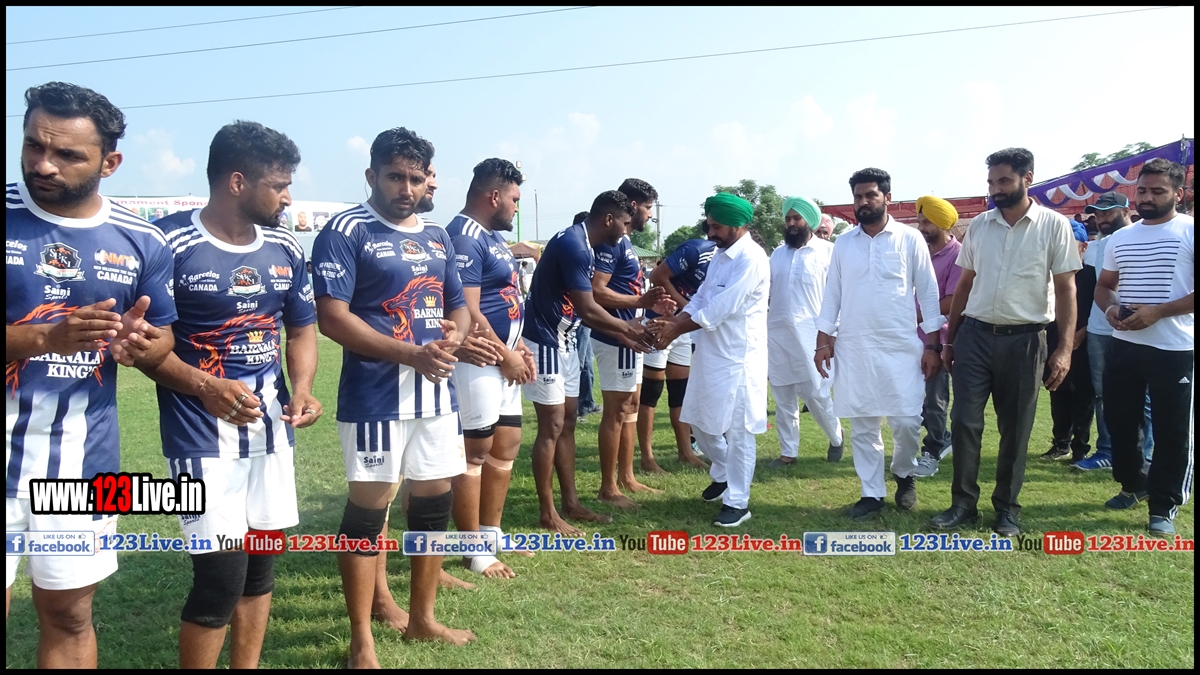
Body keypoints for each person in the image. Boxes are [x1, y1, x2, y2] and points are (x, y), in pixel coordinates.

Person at [6, 81, 177, 668]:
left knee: (70, 616)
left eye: (67, 154)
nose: (43, 164)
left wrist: (142, 343)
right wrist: (42, 339)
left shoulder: (143, 239)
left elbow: (164, 336)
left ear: (110, 163)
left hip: (84, 465)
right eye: (33, 145)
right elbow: (44, 337)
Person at [139, 121, 322, 668]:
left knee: (261, 566)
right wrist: (205, 386)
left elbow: (301, 329)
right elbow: (145, 348)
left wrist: (304, 389)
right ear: (238, 182)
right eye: (279, 185)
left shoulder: (285, 245)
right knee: (220, 578)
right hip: (200, 438)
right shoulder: (168, 243)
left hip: (272, 434)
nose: (287, 198)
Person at [312, 127, 493, 660]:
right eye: (395, 177)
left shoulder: (436, 235)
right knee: (367, 516)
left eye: (416, 178)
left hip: (435, 399)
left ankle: (423, 620)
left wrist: (455, 335)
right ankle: (361, 640)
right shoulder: (345, 230)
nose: (406, 188)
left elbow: (457, 304)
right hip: (375, 400)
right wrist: (411, 354)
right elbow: (332, 318)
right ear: (372, 175)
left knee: (432, 507)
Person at [933, 148, 1081, 537]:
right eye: (991, 182)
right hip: (975, 336)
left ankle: (1007, 509)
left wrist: (1064, 348)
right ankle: (963, 504)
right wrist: (951, 340)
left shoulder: (1054, 226)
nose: (995, 189)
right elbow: (964, 285)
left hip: (1026, 340)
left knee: (1015, 428)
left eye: (1003, 181)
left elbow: (1067, 289)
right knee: (964, 421)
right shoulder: (980, 226)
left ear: (1027, 179)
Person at [521, 191, 656, 535]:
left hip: (565, 340)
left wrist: (625, 334)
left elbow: (585, 312)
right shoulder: (575, 245)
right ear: (608, 220)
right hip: (545, 340)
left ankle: (571, 503)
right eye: (624, 223)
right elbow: (588, 307)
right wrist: (628, 327)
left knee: (567, 421)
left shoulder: (586, 245)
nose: (627, 230)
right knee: (552, 425)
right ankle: (548, 513)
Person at [815, 170, 944, 520]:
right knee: (863, 423)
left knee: (907, 421)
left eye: (870, 195)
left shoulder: (910, 238)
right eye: (858, 196)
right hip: (855, 346)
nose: (863, 202)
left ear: (887, 197)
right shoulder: (844, 244)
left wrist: (933, 345)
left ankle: (903, 472)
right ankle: (871, 492)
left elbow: (928, 292)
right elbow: (832, 294)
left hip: (901, 345)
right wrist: (822, 339)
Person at [652, 192, 770, 527]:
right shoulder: (720, 255)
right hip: (710, 352)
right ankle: (723, 473)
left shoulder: (752, 258)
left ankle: (738, 501)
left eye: (716, 226)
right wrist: (675, 321)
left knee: (739, 431)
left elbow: (722, 307)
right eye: (709, 225)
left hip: (740, 359)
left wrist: (676, 329)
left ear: (737, 224)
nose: (711, 232)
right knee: (699, 420)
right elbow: (701, 297)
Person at [446, 158, 537, 578]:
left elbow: (504, 298)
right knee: (475, 452)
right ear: (494, 196)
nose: (516, 207)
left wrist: (518, 347)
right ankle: (472, 550)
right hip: (480, 360)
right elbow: (467, 309)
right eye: (514, 199)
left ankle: (491, 532)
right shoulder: (464, 235)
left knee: (507, 445)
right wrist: (506, 354)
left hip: (503, 357)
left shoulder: (492, 237)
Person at [1094, 158, 1193, 536]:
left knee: (1172, 429)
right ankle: (1133, 483)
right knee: (1121, 423)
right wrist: (1111, 309)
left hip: (1174, 348)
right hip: (1124, 344)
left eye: (1158, 191)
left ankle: (1164, 503)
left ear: (1178, 194)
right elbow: (1105, 286)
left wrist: (1159, 312)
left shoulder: (1189, 231)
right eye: (1142, 190)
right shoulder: (1120, 238)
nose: (1147, 197)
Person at [590, 179, 672, 508]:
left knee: (631, 404)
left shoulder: (624, 241)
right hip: (616, 335)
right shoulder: (611, 243)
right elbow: (596, 291)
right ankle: (609, 487)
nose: (650, 214)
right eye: (648, 207)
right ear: (633, 205)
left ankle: (627, 476)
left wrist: (650, 307)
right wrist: (639, 303)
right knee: (616, 409)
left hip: (630, 334)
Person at [1074, 192, 1154, 471]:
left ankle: (1146, 455)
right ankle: (1107, 451)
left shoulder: (1143, 237)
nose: (1102, 218)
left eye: (1108, 212)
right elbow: (1093, 288)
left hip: (1137, 327)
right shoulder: (1098, 246)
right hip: (1099, 329)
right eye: (1098, 214)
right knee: (1102, 394)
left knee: (1143, 396)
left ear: (1126, 210)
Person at [766, 195, 844, 469]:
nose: (791, 223)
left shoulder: (829, 252)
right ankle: (788, 452)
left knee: (817, 394)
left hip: (813, 335)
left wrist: (833, 333)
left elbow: (839, 295)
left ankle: (836, 437)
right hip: (777, 333)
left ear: (809, 221)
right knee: (783, 394)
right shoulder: (777, 254)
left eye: (797, 218)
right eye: (788, 219)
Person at [638, 224, 716, 472]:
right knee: (651, 392)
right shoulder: (697, 249)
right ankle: (647, 458)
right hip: (660, 321)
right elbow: (656, 276)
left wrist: (685, 316)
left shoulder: (730, 261)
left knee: (680, 392)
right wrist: (686, 308)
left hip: (682, 327)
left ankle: (685, 452)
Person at [912, 196, 964, 477]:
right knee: (912, 400)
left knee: (935, 400)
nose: (921, 227)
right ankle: (942, 437)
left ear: (943, 224)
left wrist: (915, 315)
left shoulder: (958, 255)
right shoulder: (918, 253)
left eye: (927, 222)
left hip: (940, 340)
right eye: (919, 221)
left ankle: (931, 452)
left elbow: (953, 301)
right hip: (910, 339)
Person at [1040, 221, 1096, 463]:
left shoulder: (1092, 275)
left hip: (1084, 341)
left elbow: (1097, 310)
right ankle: (1060, 443)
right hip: (1054, 338)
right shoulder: (1049, 275)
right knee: (1057, 390)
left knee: (1083, 395)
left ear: (1083, 246)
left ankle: (1080, 448)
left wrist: (1080, 334)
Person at [571, 211, 602, 418]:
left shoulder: (588, 250)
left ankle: (586, 402)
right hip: (580, 315)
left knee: (586, 360)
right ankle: (576, 406)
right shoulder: (578, 251)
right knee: (580, 361)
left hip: (584, 316)